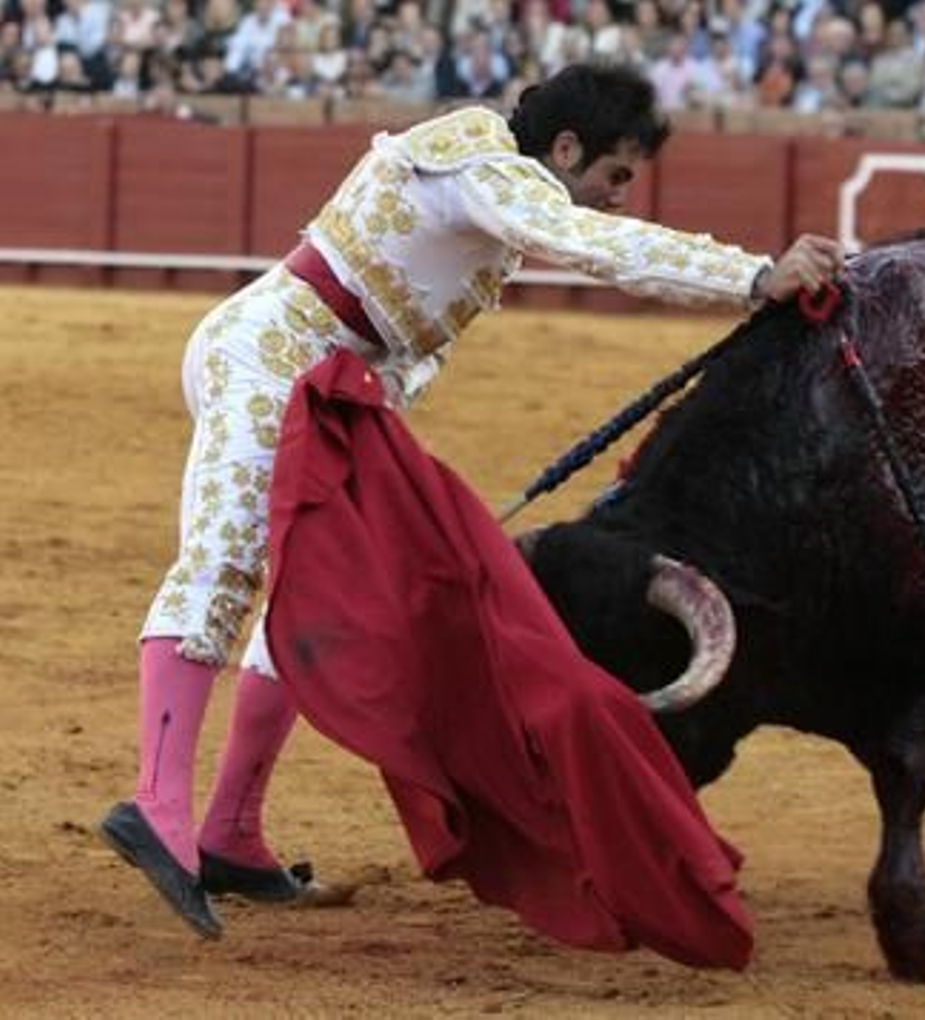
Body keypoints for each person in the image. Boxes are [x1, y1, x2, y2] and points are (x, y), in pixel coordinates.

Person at [100, 61, 845, 942]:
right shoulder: (483, 163)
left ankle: (229, 830)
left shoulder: (490, 175)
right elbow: (595, 249)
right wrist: (754, 275)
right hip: (269, 358)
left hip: (338, 391)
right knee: (225, 563)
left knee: (318, 593)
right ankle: (158, 803)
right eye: (611, 175)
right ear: (565, 148)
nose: (611, 197)